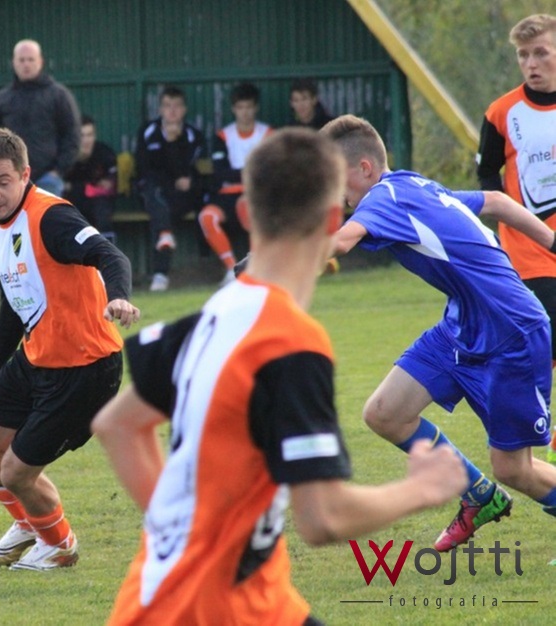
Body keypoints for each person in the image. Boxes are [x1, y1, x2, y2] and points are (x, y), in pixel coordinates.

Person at [92, 128, 467, 624]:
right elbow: (323, 517)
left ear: (246, 213)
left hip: (236, 601)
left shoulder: (212, 314)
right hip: (203, 611)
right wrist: (422, 488)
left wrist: (187, 534)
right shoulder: (290, 341)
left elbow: (117, 425)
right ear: (333, 220)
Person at [322, 114, 556, 553]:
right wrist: (553, 242)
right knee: (385, 413)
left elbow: (339, 243)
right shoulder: (413, 186)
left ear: (365, 168)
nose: (336, 193)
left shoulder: (382, 199)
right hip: (461, 327)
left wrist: (273, 255)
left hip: (512, 332)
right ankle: (478, 495)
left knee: (515, 469)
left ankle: (494, 488)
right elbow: (496, 201)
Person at [0, 128, 140, 572]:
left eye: (3, 181)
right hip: (37, 356)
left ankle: (59, 545)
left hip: (85, 367)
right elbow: (14, 301)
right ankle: (28, 524)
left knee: (16, 472)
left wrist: (118, 296)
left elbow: (111, 256)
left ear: (25, 175)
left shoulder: (51, 218)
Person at [476, 13, 556, 461]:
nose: (531, 63)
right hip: (531, 253)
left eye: (541, 52)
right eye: (523, 55)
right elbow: (487, 174)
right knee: (546, 340)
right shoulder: (501, 112)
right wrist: (508, 223)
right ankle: (533, 438)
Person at [0, 39, 81, 198]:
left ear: (40, 62)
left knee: (46, 215)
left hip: (48, 179)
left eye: (31, 59)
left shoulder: (59, 95)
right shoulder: (2, 98)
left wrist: (58, 171)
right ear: (14, 63)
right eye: (21, 60)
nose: (26, 64)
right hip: (12, 179)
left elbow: (72, 135)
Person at [199, 82, 272, 285]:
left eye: (249, 107)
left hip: (257, 194)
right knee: (207, 217)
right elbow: (220, 172)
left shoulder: (267, 134)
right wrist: (250, 171)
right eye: (240, 107)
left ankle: (254, 269)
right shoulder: (223, 136)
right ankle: (232, 270)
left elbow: (270, 170)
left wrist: (237, 174)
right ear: (233, 109)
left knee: (254, 211)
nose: (245, 112)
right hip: (227, 196)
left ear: (256, 108)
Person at [134, 85, 204, 292]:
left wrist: (173, 143)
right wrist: (168, 146)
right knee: (156, 198)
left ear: (184, 109)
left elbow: (185, 172)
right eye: (167, 106)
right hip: (154, 190)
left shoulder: (193, 135)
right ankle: (161, 271)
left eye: (177, 106)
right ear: (160, 109)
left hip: (180, 195)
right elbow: (143, 167)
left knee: (161, 208)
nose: (172, 111)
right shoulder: (148, 131)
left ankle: (160, 273)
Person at [63, 114, 118, 243]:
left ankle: (106, 252)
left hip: (99, 204)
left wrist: (79, 187)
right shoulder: (66, 156)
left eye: (90, 135)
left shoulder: (104, 153)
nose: (86, 140)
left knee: (101, 209)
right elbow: (61, 186)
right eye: (82, 135)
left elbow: (110, 186)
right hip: (73, 203)